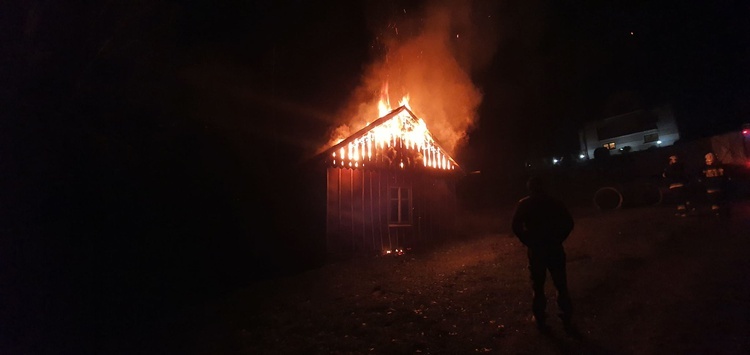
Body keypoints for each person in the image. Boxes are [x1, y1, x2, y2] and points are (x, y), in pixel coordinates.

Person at [511, 176, 575, 334]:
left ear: (530, 188)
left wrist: (528, 240)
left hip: (537, 250)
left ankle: (540, 319)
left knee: (538, 287)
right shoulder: (554, 202)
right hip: (554, 248)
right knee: (561, 285)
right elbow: (569, 222)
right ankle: (566, 317)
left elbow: (516, 226)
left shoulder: (524, 204)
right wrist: (559, 238)